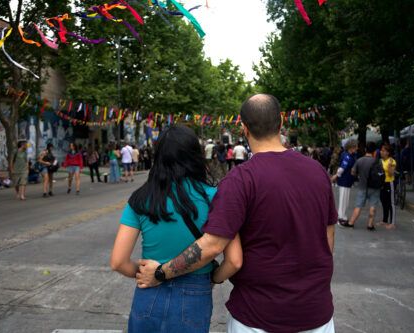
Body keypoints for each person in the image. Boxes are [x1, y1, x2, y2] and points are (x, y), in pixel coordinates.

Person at [136, 94, 337, 333]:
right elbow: (328, 240)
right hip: (316, 315)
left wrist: (162, 273)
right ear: (281, 123)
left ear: (244, 128)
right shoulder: (317, 172)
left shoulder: (240, 180)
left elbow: (211, 246)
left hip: (257, 317)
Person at [110, 125, 242, 333]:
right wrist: (214, 277)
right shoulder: (214, 197)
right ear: (195, 155)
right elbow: (234, 260)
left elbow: (118, 261)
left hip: (149, 294)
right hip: (195, 294)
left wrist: (148, 273)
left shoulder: (141, 199)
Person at [340, 141, 380, 230]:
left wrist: (359, 175)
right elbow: (381, 174)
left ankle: (351, 223)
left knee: (358, 206)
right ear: (375, 151)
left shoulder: (360, 160)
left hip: (362, 186)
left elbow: (353, 172)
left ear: (366, 149)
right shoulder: (377, 161)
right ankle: (370, 225)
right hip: (374, 187)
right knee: (373, 206)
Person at [331, 140, 357, 224]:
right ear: (351, 147)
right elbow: (342, 167)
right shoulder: (347, 156)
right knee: (343, 199)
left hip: (347, 180)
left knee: (345, 199)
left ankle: (342, 216)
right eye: (355, 146)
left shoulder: (349, 155)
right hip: (344, 180)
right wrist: (336, 175)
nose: (356, 148)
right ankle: (340, 217)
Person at [379, 144, 397, 230]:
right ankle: (384, 220)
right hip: (382, 183)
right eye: (381, 150)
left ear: (387, 152)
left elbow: (391, 174)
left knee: (391, 203)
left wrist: (389, 166)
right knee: (383, 202)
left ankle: (392, 223)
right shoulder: (380, 160)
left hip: (389, 183)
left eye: (383, 150)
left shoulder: (392, 161)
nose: (381, 152)